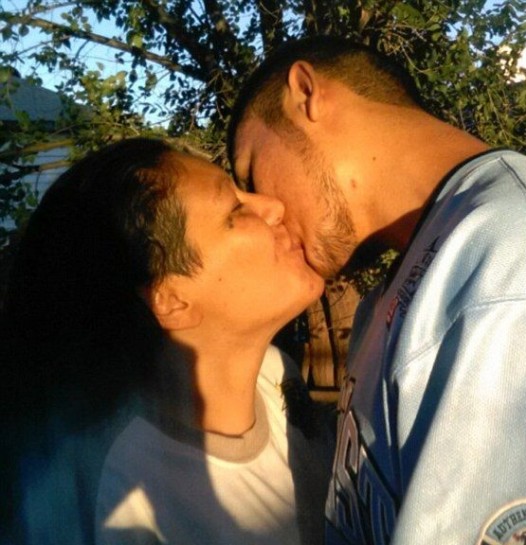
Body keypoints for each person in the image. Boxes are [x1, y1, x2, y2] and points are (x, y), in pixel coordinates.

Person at [227, 35, 526, 545]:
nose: (264, 212)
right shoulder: (401, 288)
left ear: (306, 93)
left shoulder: (518, 251)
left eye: (251, 173)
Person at [0, 138, 334, 545]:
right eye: (234, 210)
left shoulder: (277, 373)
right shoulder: (122, 507)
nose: (273, 207)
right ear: (171, 301)